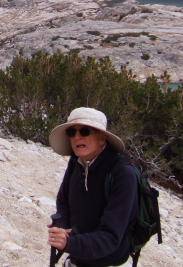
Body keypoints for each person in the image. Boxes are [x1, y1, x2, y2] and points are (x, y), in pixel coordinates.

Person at [47, 107, 138, 267]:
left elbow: (110, 237)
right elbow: (63, 202)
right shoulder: (76, 162)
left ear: (102, 138)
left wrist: (69, 243)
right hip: (78, 257)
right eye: (71, 133)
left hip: (109, 262)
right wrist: (63, 226)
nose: (77, 137)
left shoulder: (123, 174)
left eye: (84, 131)